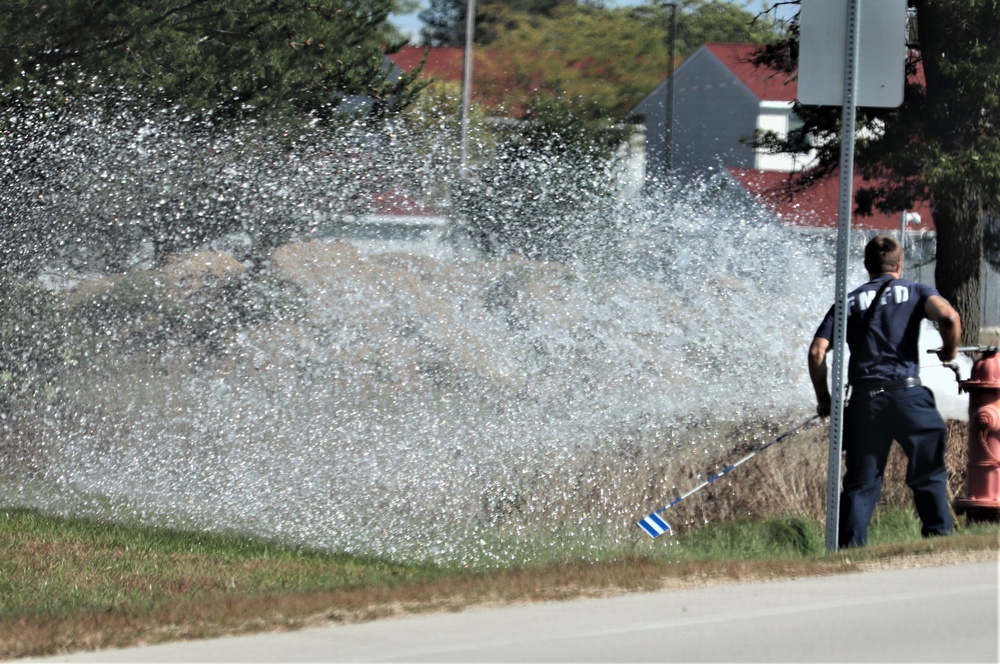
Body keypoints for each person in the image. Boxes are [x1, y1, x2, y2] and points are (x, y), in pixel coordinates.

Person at [808, 235, 962, 548]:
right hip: (907, 397)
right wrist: (949, 351)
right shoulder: (917, 290)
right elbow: (948, 316)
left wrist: (825, 399)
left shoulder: (848, 302)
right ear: (899, 264)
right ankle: (939, 537)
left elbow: (817, 353)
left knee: (861, 483)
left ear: (867, 267)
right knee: (928, 471)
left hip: (865, 403)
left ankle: (847, 550)